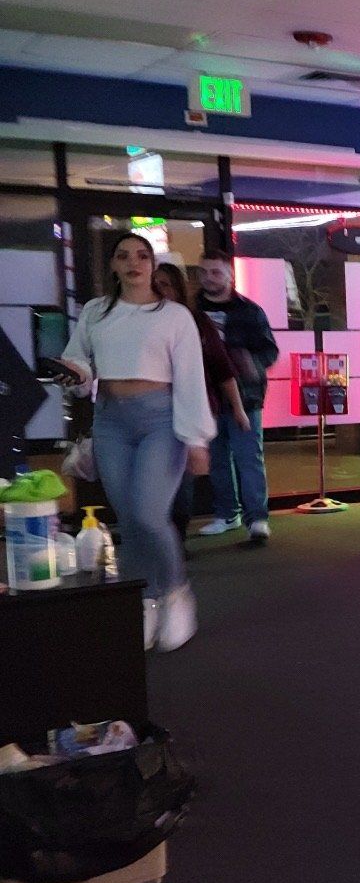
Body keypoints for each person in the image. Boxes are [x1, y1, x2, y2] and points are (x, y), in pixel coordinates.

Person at [58, 233, 215, 651]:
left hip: (160, 421)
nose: (134, 263)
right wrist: (74, 373)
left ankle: (177, 593)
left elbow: (191, 380)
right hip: (111, 422)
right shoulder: (95, 312)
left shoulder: (174, 316)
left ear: (153, 264)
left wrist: (197, 439)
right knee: (128, 521)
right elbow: (80, 361)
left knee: (147, 514)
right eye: (123, 256)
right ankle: (144, 599)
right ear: (112, 265)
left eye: (142, 256)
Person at [152, 263, 250, 549]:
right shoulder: (138, 322)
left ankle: (176, 541)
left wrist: (238, 408)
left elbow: (222, 368)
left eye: (166, 284)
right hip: (147, 413)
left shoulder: (195, 322)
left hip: (186, 412)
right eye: (155, 283)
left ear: (179, 289)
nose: (160, 290)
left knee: (182, 484)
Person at [196, 251, 278, 543]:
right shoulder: (190, 310)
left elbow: (271, 351)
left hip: (246, 397)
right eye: (204, 272)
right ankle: (227, 514)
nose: (209, 278)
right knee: (216, 458)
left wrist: (247, 363)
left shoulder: (249, 311)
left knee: (248, 458)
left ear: (230, 276)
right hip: (206, 396)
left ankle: (257, 519)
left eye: (216, 272)